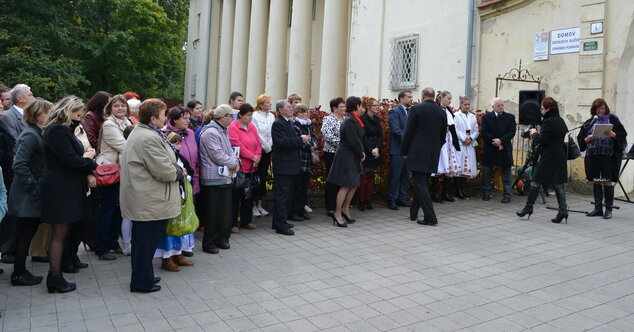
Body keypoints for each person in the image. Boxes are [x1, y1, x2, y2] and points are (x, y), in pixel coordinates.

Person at [120, 98, 183, 293]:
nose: (166, 117)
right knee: (145, 243)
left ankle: (144, 275)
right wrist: (179, 172)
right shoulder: (148, 137)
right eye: (164, 114)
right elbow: (163, 170)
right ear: (154, 118)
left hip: (149, 197)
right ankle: (141, 281)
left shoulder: (148, 133)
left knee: (145, 242)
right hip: (148, 198)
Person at [41, 96, 98, 293]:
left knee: (63, 232)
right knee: (59, 233)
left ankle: (56, 275)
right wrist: (90, 160)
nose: (79, 117)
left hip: (65, 185)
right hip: (60, 187)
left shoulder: (61, 129)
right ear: (66, 111)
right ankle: (55, 277)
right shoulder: (57, 130)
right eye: (76, 113)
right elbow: (71, 161)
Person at [9, 98, 51, 286]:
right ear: (36, 115)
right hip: (27, 195)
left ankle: (20, 271)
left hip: (30, 193)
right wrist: (33, 187)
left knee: (26, 232)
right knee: (24, 233)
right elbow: (19, 165)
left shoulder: (36, 133)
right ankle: (18, 273)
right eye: (46, 112)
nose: (49, 116)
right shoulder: (30, 135)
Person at [517, 97, 569, 223]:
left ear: (548, 108)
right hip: (560, 154)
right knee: (558, 183)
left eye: (542, 108)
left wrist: (534, 133)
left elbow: (542, 140)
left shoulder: (549, 121)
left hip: (549, 156)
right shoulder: (560, 120)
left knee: (536, 181)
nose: (541, 111)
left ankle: (528, 208)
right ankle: (563, 211)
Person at [93, 95, 132, 260]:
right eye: (116, 106)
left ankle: (112, 242)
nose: (120, 109)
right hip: (110, 171)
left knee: (118, 209)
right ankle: (101, 248)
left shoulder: (127, 122)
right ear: (110, 108)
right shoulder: (109, 124)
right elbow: (124, 145)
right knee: (107, 210)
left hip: (122, 171)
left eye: (123, 106)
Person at [402, 88, 447, 225]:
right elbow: (443, 136)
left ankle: (430, 217)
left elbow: (408, 132)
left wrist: (404, 151)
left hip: (417, 152)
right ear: (433, 97)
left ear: (422, 96)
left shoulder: (416, 109)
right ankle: (413, 213)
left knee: (420, 183)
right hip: (433, 153)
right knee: (421, 182)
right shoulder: (441, 111)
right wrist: (435, 149)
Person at [0, 84, 34, 264]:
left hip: (27, 168)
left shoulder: (27, 116)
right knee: (14, 214)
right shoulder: (8, 117)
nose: (33, 97)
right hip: (15, 172)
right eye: (30, 94)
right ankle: (8, 249)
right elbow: (15, 142)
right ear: (20, 98)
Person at [577, 98, 628, 219]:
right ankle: (598, 208)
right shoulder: (590, 121)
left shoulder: (613, 119)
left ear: (606, 108)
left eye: (602, 108)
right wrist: (586, 139)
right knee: (596, 180)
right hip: (593, 155)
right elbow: (581, 138)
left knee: (607, 180)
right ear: (594, 110)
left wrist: (613, 135)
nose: (600, 110)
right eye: (598, 109)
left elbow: (623, 134)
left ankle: (608, 209)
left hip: (608, 156)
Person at [199, 104, 240, 253]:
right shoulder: (211, 132)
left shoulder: (223, 130)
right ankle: (209, 243)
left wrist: (236, 161)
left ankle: (222, 239)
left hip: (224, 177)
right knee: (213, 214)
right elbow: (217, 155)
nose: (233, 118)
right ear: (223, 117)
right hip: (213, 179)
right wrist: (234, 162)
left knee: (224, 212)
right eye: (231, 116)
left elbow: (229, 151)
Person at [154, 132, 196, 271]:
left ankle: (178, 254)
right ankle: (167, 258)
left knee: (180, 225)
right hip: (169, 196)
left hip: (181, 195)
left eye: (179, 143)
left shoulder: (179, 157)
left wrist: (186, 175)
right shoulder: (165, 157)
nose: (178, 146)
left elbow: (190, 171)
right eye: (175, 143)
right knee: (169, 228)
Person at [271, 100, 309, 235]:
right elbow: (282, 142)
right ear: (280, 110)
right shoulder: (278, 123)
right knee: (282, 196)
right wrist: (300, 140)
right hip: (284, 165)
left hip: (290, 165)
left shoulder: (288, 122)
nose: (291, 108)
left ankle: (279, 221)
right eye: (288, 107)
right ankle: (281, 225)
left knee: (286, 195)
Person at [327, 96, 366, 227]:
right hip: (347, 155)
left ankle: (346, 208)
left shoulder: (354, 120)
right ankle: (337, 213)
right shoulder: (349, 121)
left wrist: (361, 152)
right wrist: (360, 153)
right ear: (356, 106)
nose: (362, 108)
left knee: (353, 184)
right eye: (360, 106)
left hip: (353, 155)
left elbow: (358, 140)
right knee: (345, 185)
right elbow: (352, 140)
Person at [228, 103, 261, 232]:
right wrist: (252, 157)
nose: (250, 118)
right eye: (248, 115)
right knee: (236, 196)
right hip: (240, 166)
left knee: (248, 196)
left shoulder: (252, 127)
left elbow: (258, 143)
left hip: (252, 166)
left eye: (251, 115)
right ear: (240, 115)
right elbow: (237, 145)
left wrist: (257, 156)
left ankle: (247, 221)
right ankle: (233, 223)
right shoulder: (233, 127)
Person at [481, 98, 516, 203]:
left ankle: (507, 194)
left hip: (504, 148)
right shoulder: (487, 117)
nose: (501, 107)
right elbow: (485, 132)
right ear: (493, 107)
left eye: (502, 105)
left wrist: (501, 141)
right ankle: (486, 193)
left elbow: (512, 132)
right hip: (491, 148)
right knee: (487, 171)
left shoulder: (510, 117)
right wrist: (496, 142)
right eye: (498, 105)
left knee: (506, 172)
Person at [431, 91, 461, 203]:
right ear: (442, 98)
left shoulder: (449, 111)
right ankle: (435, 194)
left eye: (451, 98)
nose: (450, 101)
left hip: (450, 142)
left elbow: (453, 127)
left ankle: (446, 193)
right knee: (438, 167)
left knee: (448, 169)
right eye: (448, 98)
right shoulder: (436, 110)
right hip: (440, 142)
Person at [290, 104, 317, 221]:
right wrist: (311, 144)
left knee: (304, 187)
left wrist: (313, 143)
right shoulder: (295, 125)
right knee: (297, 187)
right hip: (299, 159)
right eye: (301, 112)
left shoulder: (308, 125)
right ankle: (294, 211)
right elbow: (302, 141)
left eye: (305, 112)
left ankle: (301, 210)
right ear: (296, 113)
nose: (304, 114)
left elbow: (314, 138)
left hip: (308, 160)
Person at [387, 90, 413, 210]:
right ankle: (392, 200)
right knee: (396, 176)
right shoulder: (394, 111)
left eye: (411, 97)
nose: (411, 99)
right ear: (401, 99)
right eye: (408, 97)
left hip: (409, 150)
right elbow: (396, 129)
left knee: (405, 176)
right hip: (398, 149)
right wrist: (408, 141)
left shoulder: (412, 111)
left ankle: (402, 199)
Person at [250, 94, 275, 217]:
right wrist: (265, 146)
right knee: (255, 177)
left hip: (268, 149)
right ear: (260, 105)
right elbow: (256, 133)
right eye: (267, 102)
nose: (270, 104)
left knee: (263, 176)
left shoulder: (271, 116)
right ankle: (253, 205)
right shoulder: (255, 116)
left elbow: (272, 132)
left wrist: (269, 145)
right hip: (258, 150)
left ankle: (260, 204)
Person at [321, 97, 346, 216]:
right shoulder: (328, 119)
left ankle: (340, 206)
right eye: (341, 107)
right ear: (334, 108)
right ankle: (330, 207)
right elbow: (328, 136)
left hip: (345, 154)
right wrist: (344, 143)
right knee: (332, 181)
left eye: (344, 106)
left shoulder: (346, 119)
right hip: (332, 153)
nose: (344, 108)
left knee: (342, 181)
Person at [358, 97, 383, 211]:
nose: (377, 107)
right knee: (363, 177)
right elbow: (363, 136)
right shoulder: (362, 119)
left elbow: (380, 135)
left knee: (372, 175)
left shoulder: (377, 120)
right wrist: (371, 149)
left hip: (375, 150)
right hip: (366, 150)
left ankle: (369, 200)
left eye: (378, 105)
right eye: (375, 105)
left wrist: (377, 148)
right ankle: (361, 201)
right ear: (368, 107)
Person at [453, 96, 479, 198]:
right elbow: (456, 129)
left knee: (467, 167)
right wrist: (464, 139)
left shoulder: (473, 116)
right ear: (461, 105)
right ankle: (458, 190)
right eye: (465, 104)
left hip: (470, 144)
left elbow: (476, 130)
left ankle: (463, 189)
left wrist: (471, 139)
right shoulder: (456, 115)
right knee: (460, 167)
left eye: (468, 104)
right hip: (461, 143)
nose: (467, 106)